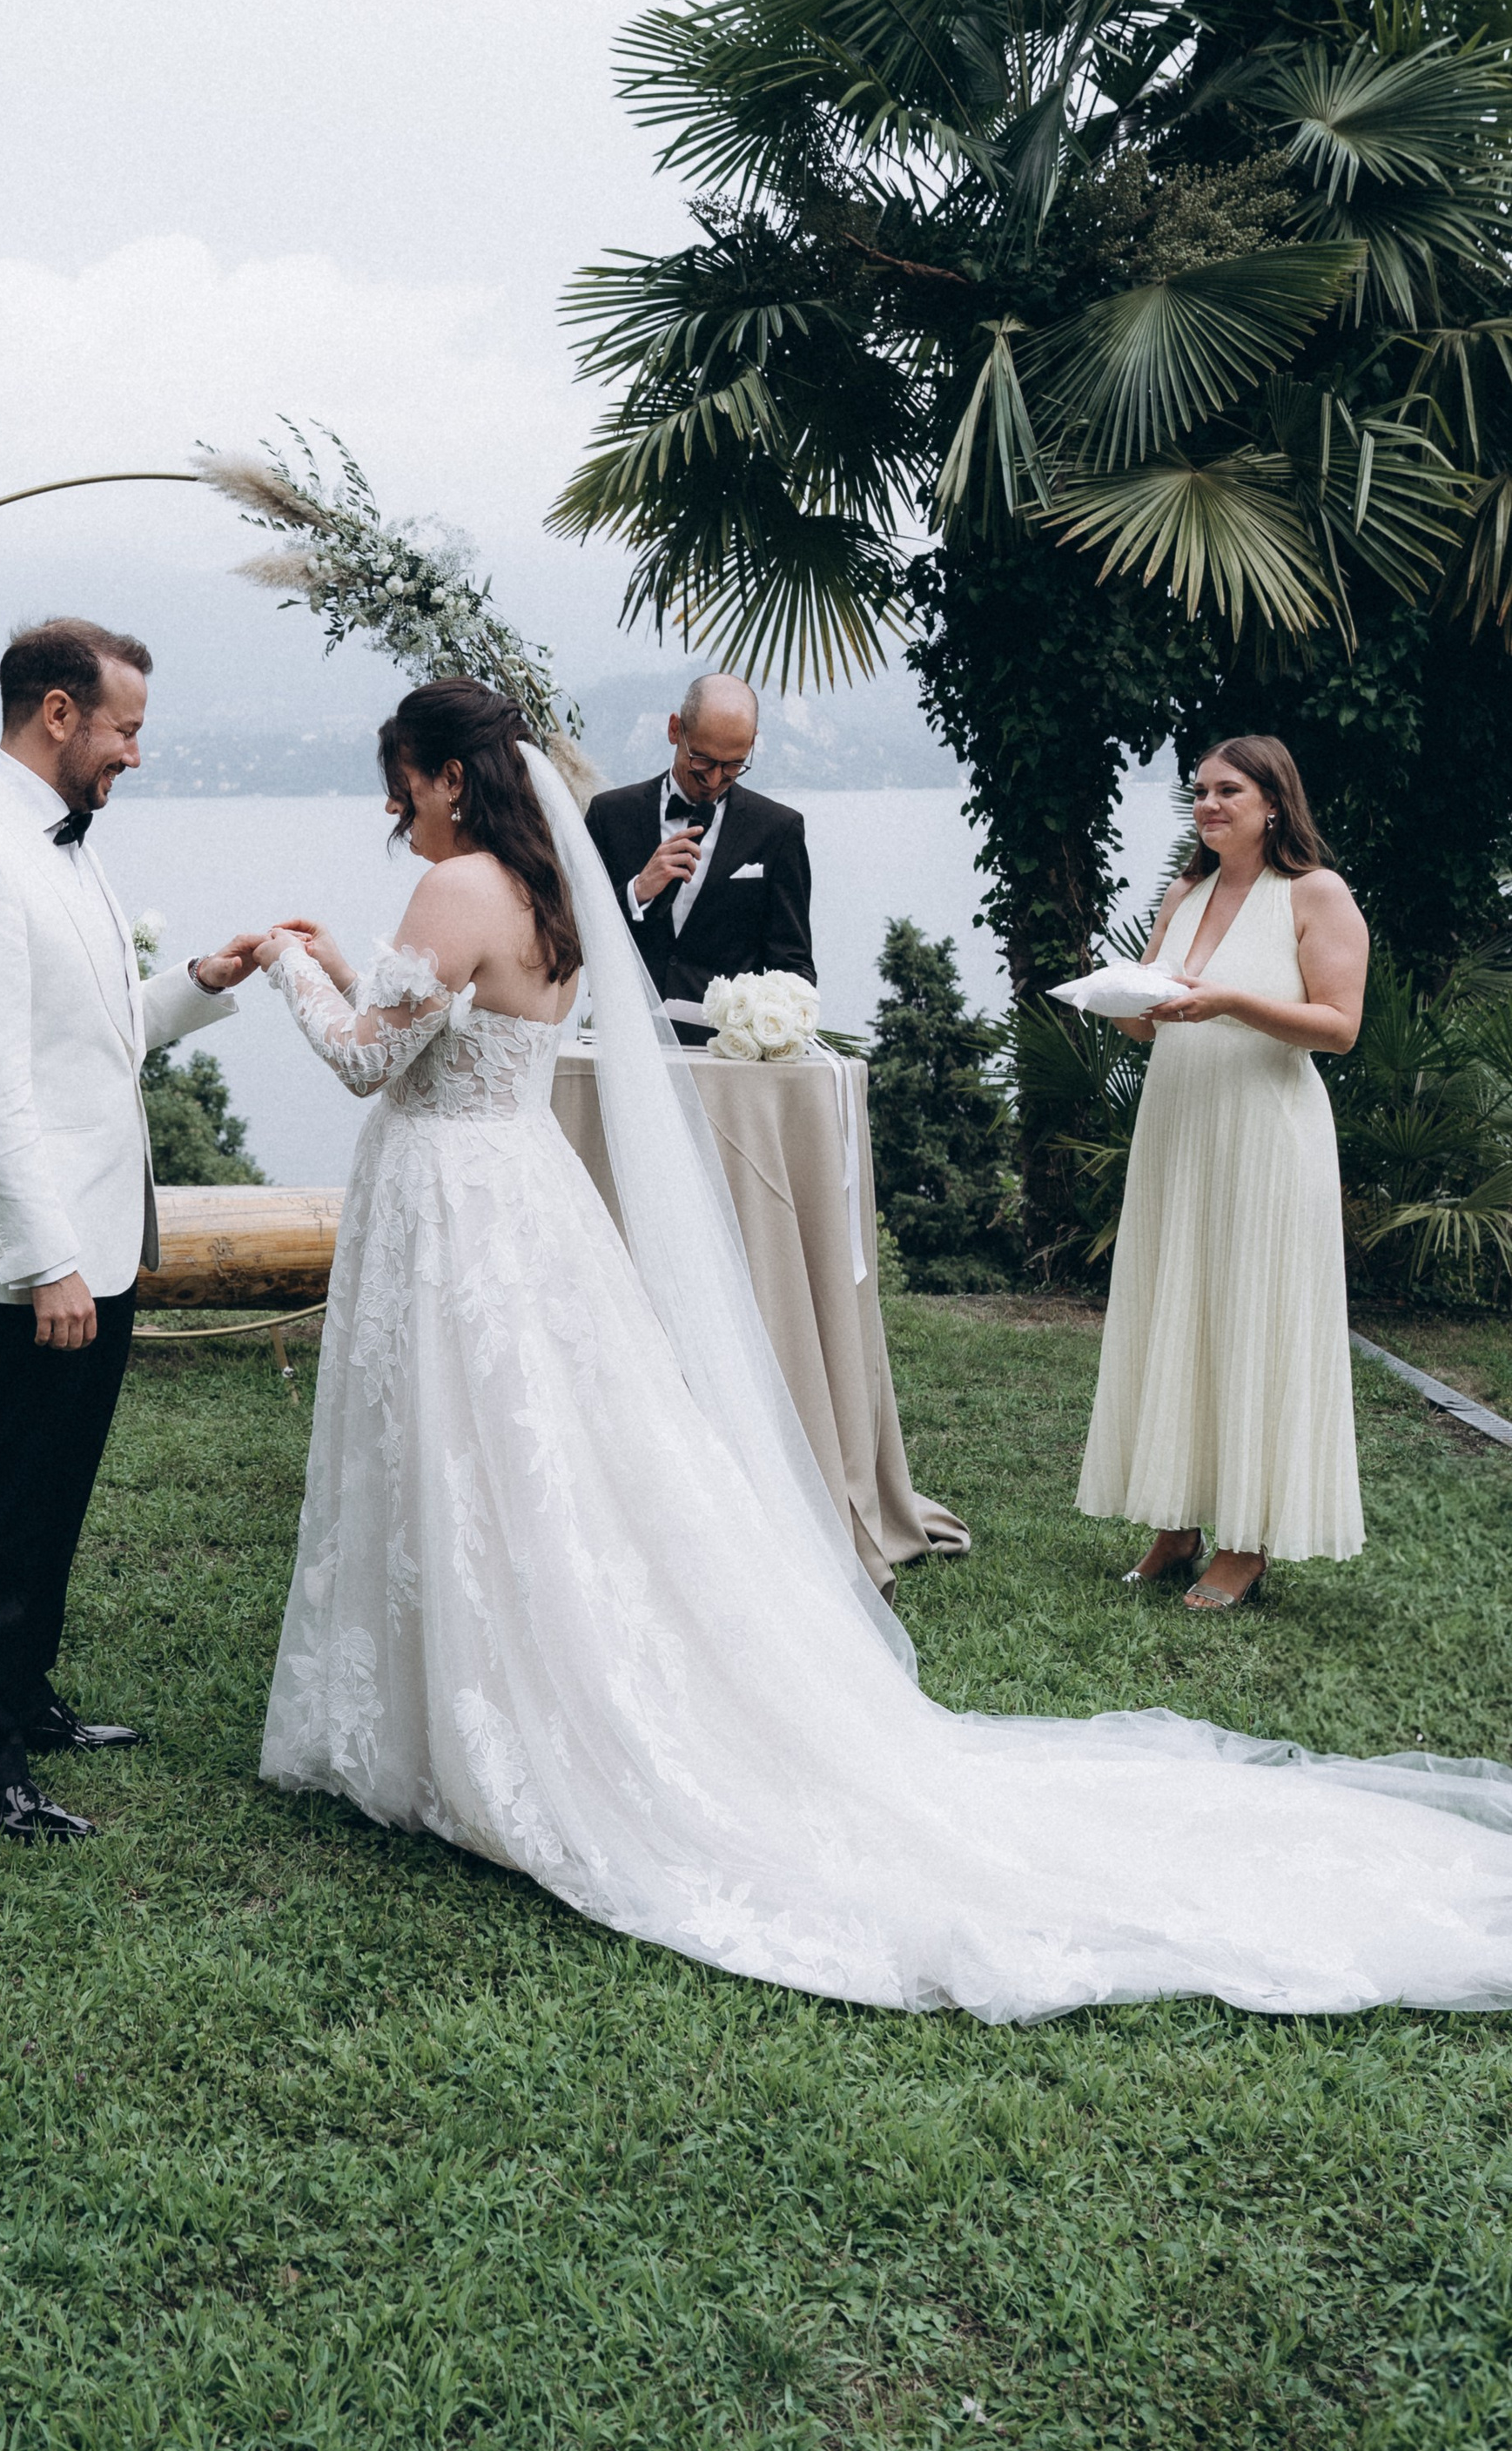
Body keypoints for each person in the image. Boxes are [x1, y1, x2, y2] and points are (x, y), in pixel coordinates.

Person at [249, 677, 1512, 2022]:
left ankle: (480, 1712)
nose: (395, 803)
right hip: (521, 1204)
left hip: (458, 1206)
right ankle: (483, 1690)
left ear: (445, 773)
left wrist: (280, 964)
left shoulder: (456, 890)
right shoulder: (560, 883)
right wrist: (337, 964)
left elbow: (365, 1066)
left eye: (402, 776)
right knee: (533, 1448)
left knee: (475, 1442)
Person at [0, 617, 264, 1842]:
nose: (135, 756)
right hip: (38, 1258)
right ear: (57, 714)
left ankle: (28, 1698)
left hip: (97, 1242)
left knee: (54, 1496)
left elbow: (97, 1037)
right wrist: (45, 1261)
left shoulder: (63, 847)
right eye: (124, 730)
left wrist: (201, 984)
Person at [1079, 737, 1369, 1612]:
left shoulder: (1314, 894)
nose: (1206, 804)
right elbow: (1157, 1021)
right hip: (1178, 1127)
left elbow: (1338, 1027)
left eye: (1226, 790)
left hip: (1264, 1136)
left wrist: (1231, 1000)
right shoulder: (1184, 892)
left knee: (1250, 1317)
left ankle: (1245, 1544)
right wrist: (1120, 1001)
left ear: (1273, 802)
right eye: (1199, 791)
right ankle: (1176, 1524)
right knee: (1179, 1309)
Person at [581, 671, 811, 1039]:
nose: (715, 779)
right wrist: (637, 891)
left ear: (752, 744)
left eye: (734, 765)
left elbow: (793, 966)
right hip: (625, 1042)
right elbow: (570, 935)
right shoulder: (608, 815)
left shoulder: (778, 830)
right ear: (675, 729)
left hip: (727, 1052)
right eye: (702, 760)